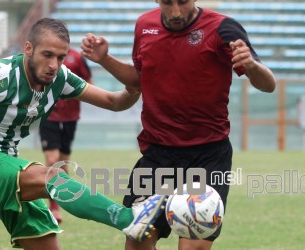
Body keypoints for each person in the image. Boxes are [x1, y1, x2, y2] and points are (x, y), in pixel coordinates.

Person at [0, 18, 167, 249]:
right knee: (52, 176)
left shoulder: (59, 78)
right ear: (28, 48)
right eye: (47, 55)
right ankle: (128, 218)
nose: (53, 64)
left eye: (60, 57)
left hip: (9, 167)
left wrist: (135, 85)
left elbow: (113, 102)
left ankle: (132, 221)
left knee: (44, 240)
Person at [80, 0, 276, 249]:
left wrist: (251, 66)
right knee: (137, 240)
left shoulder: (223, 28)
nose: (175, 12)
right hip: (158, 154)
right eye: (167, 3)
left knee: (193, 246)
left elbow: (268, 85)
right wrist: (105, 59)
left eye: (182, 2)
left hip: (208, 156)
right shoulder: (144, 25)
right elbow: (141, 80)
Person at [39, 48, 92, 223]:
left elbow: (88, 81)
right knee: (52, 160)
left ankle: (61, 201)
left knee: (63, 164)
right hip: (49, 115)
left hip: (70, 117)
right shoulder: (44, 57)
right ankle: (53, 208)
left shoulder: (77, 57)